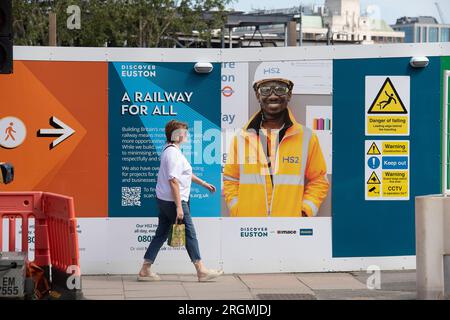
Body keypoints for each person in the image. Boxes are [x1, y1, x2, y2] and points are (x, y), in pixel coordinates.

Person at [223, 77, 329, 217]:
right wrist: (238, 210)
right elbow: (230, 180)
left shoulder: (307, 137)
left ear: (289, 94)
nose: (273, 95)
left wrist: (304, 212)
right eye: (266, 90)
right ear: (257, 95)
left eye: (280, 89)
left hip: (290, 228)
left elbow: (319, 180)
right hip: (250, 229)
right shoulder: (241, 138)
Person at [138, 120, 223, 282]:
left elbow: (183, 173)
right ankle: (201, 270)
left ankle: (145, 269)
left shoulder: (170, 150)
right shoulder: (173, 153)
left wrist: (204, 184)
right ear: (176, 135)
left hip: (165, 200)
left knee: (161, 233)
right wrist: (179, 207)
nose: (187, 135)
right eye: (184, 132)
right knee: (189, 233)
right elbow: (173, 180)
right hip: (173, 201)